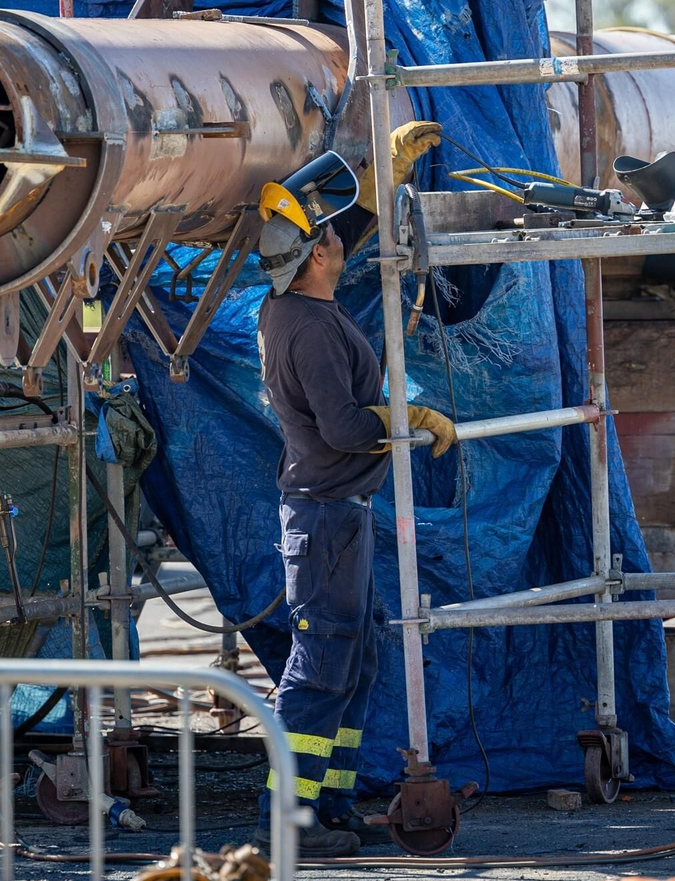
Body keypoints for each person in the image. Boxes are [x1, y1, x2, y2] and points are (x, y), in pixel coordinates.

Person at [251, 124, 454, 857]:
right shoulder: (309, 328)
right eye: (332, 235)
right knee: (321, 666)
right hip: (327, 518)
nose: (342, 240)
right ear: (316, 257)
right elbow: (341, 426)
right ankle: (288, 818)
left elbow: (337, 241)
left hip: (339, 516)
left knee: (354, 661)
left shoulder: (299, 304)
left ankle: (330, 801)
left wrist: (378, 184)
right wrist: (409, 419)